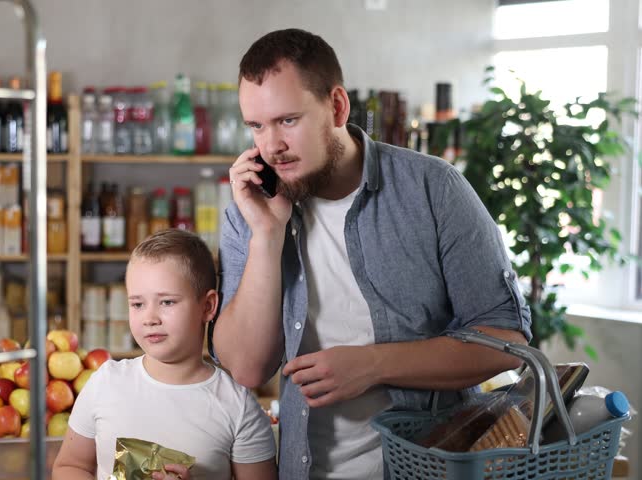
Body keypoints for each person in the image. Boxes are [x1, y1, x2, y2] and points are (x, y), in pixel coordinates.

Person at [209, 28, 533, 479]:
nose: (270, 146)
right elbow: (246, 366)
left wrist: (372, 364)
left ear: (337, 107)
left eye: (287, 120)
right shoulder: (250, 215)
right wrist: (267, 234)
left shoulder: (433, 189)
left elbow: (507, 343)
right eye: (256, 126)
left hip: (425, 468)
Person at [53, 229, 277, 480]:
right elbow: (69, 467)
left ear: (207, 306)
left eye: (167, 302)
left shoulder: (239, 407)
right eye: (138, 304)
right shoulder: (105, 382)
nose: (150, 318)